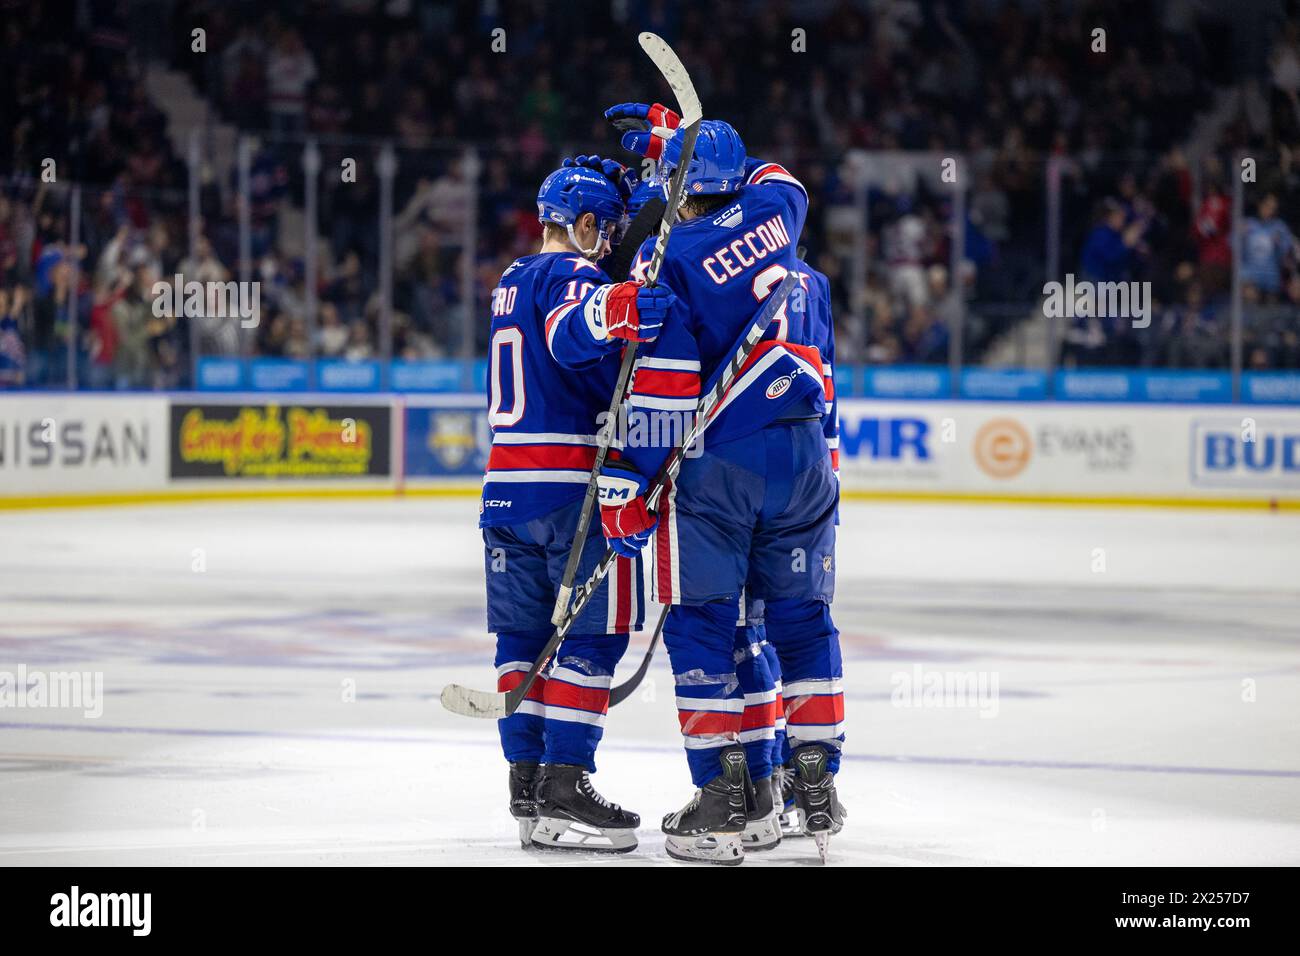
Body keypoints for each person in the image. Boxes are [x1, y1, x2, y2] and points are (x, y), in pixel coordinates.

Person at [595, 105, 845, 863]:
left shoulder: (669, 259)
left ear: (677, 185)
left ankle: (726, 800)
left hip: (720, 466)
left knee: (705, 623)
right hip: (805, 463)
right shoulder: (787, 227)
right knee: (801, 623)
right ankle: (813, 784)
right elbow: (779, 177)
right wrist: (688, 140)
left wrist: (627, 483)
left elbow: (666, 389)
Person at [480, 155, 675, 853]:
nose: (612, 243)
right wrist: (620, 306)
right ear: (587, 225)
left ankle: (527, 788)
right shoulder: (572, 274)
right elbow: (573, 330)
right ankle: (565, 786)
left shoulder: (508, 281)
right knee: (593, 636)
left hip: (505, 490)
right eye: (609, 229)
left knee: (520, 641)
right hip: (572, 492)